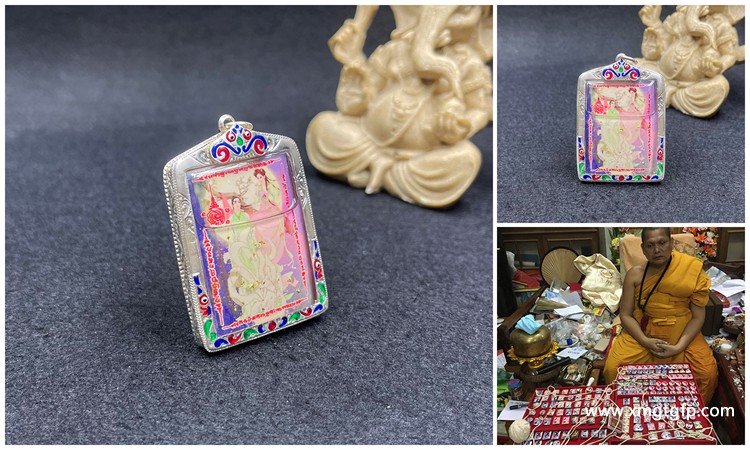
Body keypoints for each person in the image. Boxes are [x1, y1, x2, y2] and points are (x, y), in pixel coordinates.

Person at [603, 227, 718, 403]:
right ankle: (631, 411)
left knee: (707, 373)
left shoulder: (691, 270)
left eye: (662, 243)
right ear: (643, 249)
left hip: (682, 331)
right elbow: (625, 315)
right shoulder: (635, 274)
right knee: (613, 369)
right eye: (650, 245)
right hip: (644, 330)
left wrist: (679, 347)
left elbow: (697, 317)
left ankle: (688, 413)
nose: (657, 250)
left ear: (671, 243)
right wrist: (644, 340)